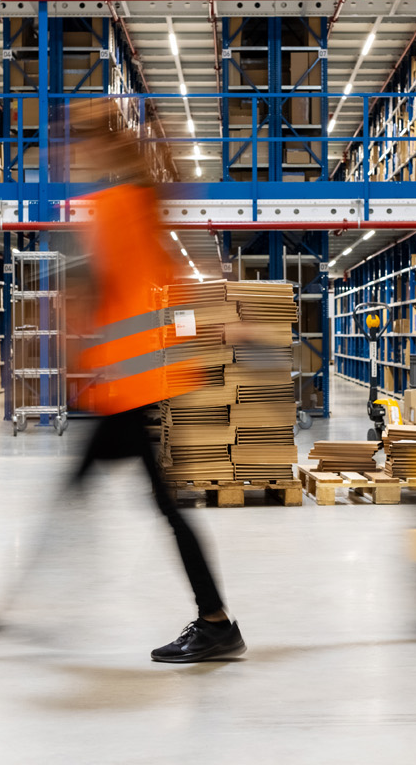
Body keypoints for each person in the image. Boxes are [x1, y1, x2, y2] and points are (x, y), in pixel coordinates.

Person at [62, 100, 245, 663]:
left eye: (76, 144)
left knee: (139, 501)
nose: (69, 156)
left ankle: (216, 622)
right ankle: (214, 620)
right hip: (131, 380)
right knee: (144, 501)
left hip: (130, 384)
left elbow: (105, 293)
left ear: (95, 147)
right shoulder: (127, 205)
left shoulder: (119, 206)